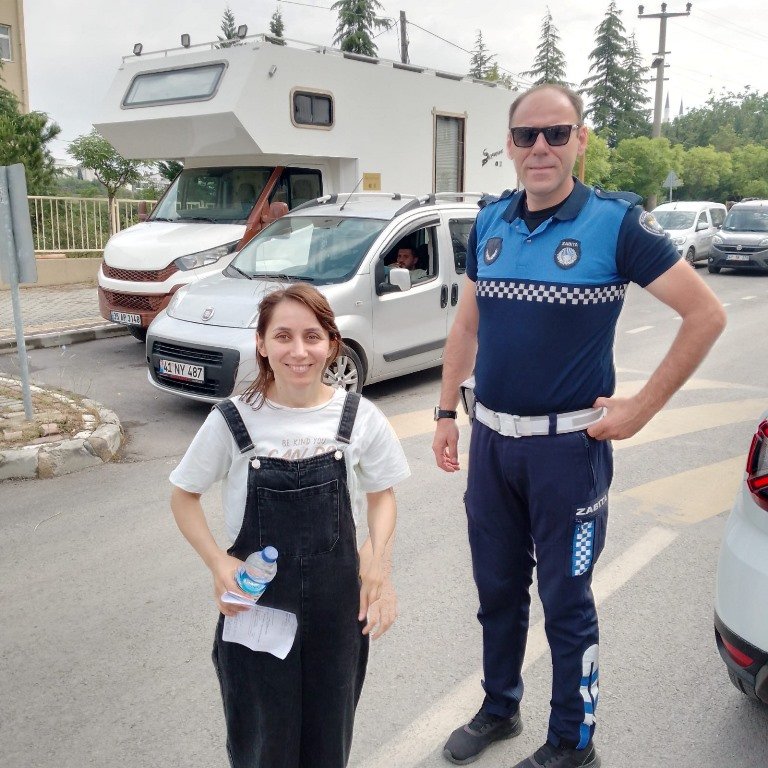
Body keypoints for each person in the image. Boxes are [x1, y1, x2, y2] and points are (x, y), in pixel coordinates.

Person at [432, 84, 726, 768]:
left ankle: (572, 742)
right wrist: (446, 413)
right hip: (492, 445)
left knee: (566, 602)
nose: (540, 147)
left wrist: (641, 408)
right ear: (509, 145)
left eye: (556, 133)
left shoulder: (616, 225)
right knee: (497, 591)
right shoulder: (491, 222)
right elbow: (467, 327)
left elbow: (706, 314)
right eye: (526, 135)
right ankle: (500, 706)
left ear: (580, 140)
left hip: (568, 452)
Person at [170, 283, 410, 768]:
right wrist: (218, 563)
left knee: (328, 741)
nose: (298, 351)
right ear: (261, 343)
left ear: (332, 344)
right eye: (283, 336)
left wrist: (378, 561)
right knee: (264, 744)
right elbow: (183, 496)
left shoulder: (358, 417)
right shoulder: (232, 421)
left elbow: (382, 495)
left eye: (312, 336)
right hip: (257, 606)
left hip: (337, 610)